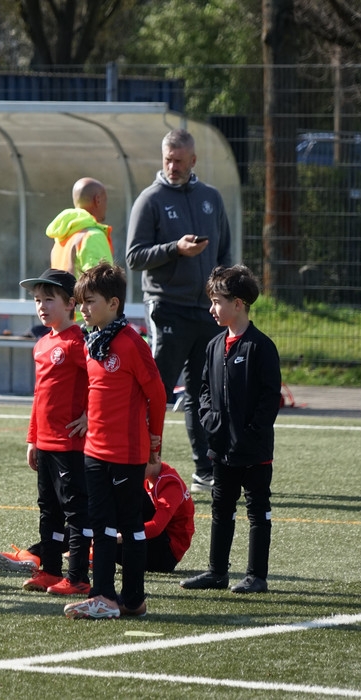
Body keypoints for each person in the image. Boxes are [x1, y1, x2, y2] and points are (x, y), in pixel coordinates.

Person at [125, 128, 232, 495]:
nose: (172, 166)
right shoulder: (150, 200)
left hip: (206, 310)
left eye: (179, 161)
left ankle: (205, 470)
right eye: (168, 160)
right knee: (156, 391)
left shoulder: (211, 198)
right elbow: (134, 256)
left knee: (203, 393)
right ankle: (136, 465)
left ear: (193, 161)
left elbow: (224, 253)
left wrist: (223, 295)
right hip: (167, 308)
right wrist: (175, 248)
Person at [63, 262, 166, 620]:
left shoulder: (132, 342)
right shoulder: (92, 341)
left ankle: (132, 599)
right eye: (81, 302)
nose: (83, 308)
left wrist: (155, 449)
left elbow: (157, 395)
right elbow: (96, 391)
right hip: (95, 451)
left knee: (130, 526)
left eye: (89, 301)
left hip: (126, 453)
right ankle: (106, 596)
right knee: (101, 524)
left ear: (113, 303)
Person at [180, 264, 281, 594]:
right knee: (221, 508)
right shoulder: (214, 345)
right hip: (221, 447)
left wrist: (251, 432)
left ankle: (256, 576)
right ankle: (216, 572)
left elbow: (270, 397)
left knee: (257, 509)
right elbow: (204, 390)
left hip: (253, 449)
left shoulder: (260, 346)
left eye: (217, 301)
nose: (212, 309)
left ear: (238, 304)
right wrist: (210, 421)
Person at [10, 268, 91, 597]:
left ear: (71, 303)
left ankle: (78, 577)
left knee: (76, 512)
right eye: (37, 300)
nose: (41, 306)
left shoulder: (79, 341)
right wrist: (32, 438)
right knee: (49, 509)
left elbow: (101, 381)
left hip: (70, 445)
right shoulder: (42, 343)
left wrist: (89, 415)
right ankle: (50, 571)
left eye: (49, 299)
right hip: (45, 444)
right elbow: (39, 395)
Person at [0, 458, 194, 577]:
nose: (130, 469)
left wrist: (114, 538)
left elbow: (157, 527)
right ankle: (37, 554)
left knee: (120, 492)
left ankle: (86, 551)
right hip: (143, 545)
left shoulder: (170, 483)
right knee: (103, 509)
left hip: (163, 556)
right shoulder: (147, 478)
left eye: (135, 464)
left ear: (154, 457)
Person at [46, 177, 114, 278]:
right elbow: (100, 282)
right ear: (98, 200)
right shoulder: (93, 236)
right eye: (105, 200)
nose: (106, 206)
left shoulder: (61, 239)